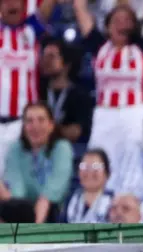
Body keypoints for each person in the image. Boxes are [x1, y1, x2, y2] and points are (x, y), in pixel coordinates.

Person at [73, 0, 143, 172]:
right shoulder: (98, 46)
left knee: (133, 163)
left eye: (127, 20)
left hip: (134, 114)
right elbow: (79, 6)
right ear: (107, 26)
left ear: (134, 25)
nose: (121, 24)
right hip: (104, 114)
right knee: (97, 162)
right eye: (117, 20)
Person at [0, 0, 58, 177]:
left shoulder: (32, 29)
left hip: (25, 125)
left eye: (16, 1)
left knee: (25, 180)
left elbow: (47, 6)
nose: (12, 5)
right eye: (6, 2)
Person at [0, 102, 73, 223]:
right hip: (22, 210)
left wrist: (33, 232)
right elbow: (17, 193)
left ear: (51, 125)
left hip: (53, 213)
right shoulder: (15, 149)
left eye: (41, 120)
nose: (35, 126)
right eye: (29, 121)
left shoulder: (62, 148)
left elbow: (50, 194)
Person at [39, 37, 93, 144]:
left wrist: (45, 129)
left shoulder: (80, 96)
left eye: (51, 56)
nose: (45, 61)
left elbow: (76, 132)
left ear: (67, 64)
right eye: (44, 56)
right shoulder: (38, 91)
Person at [64, 149, 114, 223]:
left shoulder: (115, 203)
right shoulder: (70, 200)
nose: (89, 171)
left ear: (107, 173)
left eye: (96, 167)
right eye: (84, 166)